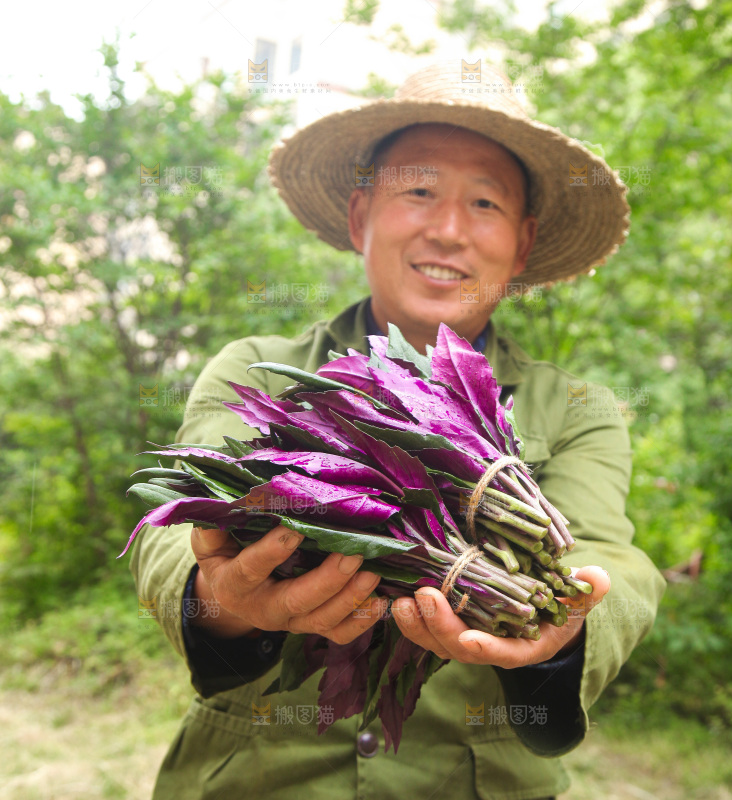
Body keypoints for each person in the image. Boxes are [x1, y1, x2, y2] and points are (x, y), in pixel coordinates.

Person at [130, 61, 666, 799]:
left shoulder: (578, 407)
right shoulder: (258, 370)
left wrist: (572, 625)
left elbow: (611, 558)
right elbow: (177, 530)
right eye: (418, 191)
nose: (448, 230)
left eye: (484, 201)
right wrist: (219, 596)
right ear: (360, 217)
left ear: (522, 243)